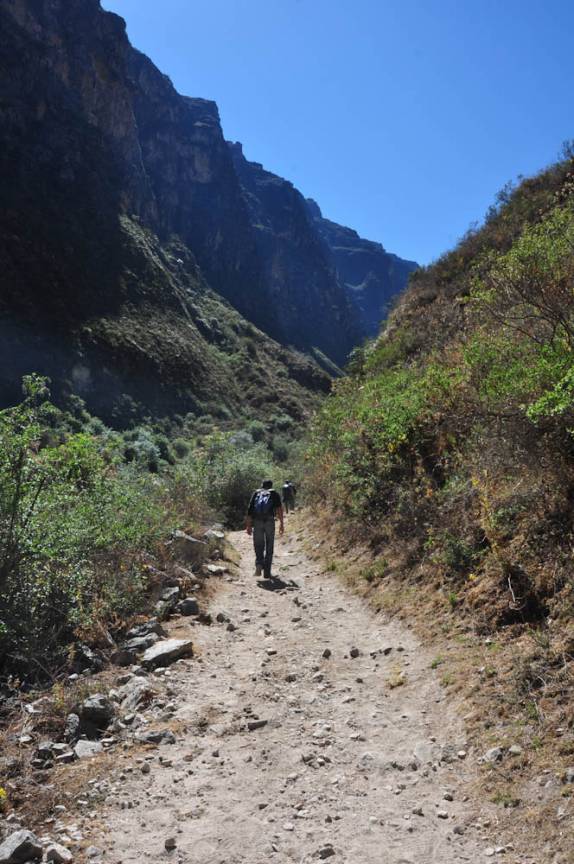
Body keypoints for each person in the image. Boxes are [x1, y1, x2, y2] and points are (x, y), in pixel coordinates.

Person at [246, 479, 284, 579]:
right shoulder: (274, 493)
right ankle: (267, 572)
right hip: (269, 521)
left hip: (257, 521)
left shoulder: (256, 493)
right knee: (269, 545)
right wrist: (281, 523)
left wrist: (249, 525)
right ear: (271, 485)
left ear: (262, 485)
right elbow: (279, 509)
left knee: (258, 544)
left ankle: (259, 564)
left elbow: (250, 510)